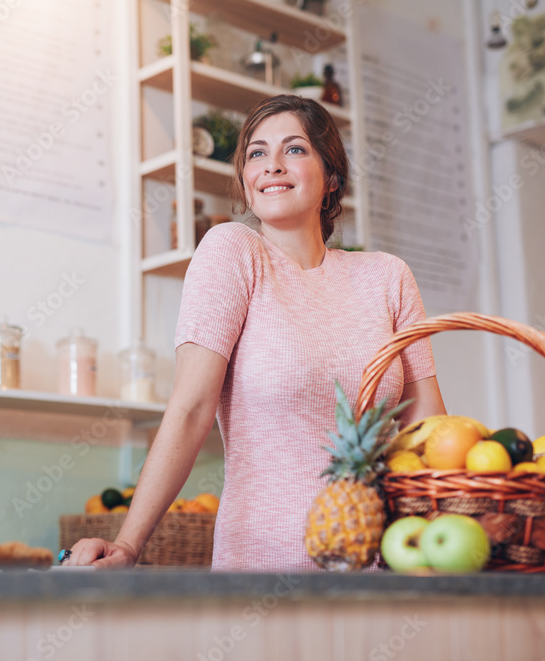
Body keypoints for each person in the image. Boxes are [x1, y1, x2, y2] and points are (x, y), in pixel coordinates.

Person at [67, 94, 447, 571]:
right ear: (246, 184)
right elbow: (190, 408)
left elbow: (429, 428)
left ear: (331, 178)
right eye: (256, 153)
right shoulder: (233, 251)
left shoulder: (388, 277)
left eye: (294, 149)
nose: (272, 165)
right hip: (263, 566)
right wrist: (128, 545)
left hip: (385, 559)